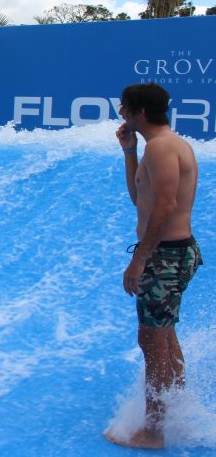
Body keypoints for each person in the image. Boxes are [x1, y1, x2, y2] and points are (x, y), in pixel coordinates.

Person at [108, 83, 203, 449]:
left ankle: (154, 430)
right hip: (173, 253)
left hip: (165, 256)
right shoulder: (156, 146)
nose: (121, 114)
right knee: (163, 335)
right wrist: (129, 152)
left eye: (124, 108)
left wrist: (139, 259)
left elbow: (164, 208)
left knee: (152, 340)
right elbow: (140, 198)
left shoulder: (163, 147)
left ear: (140, 113)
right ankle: (176, 410)